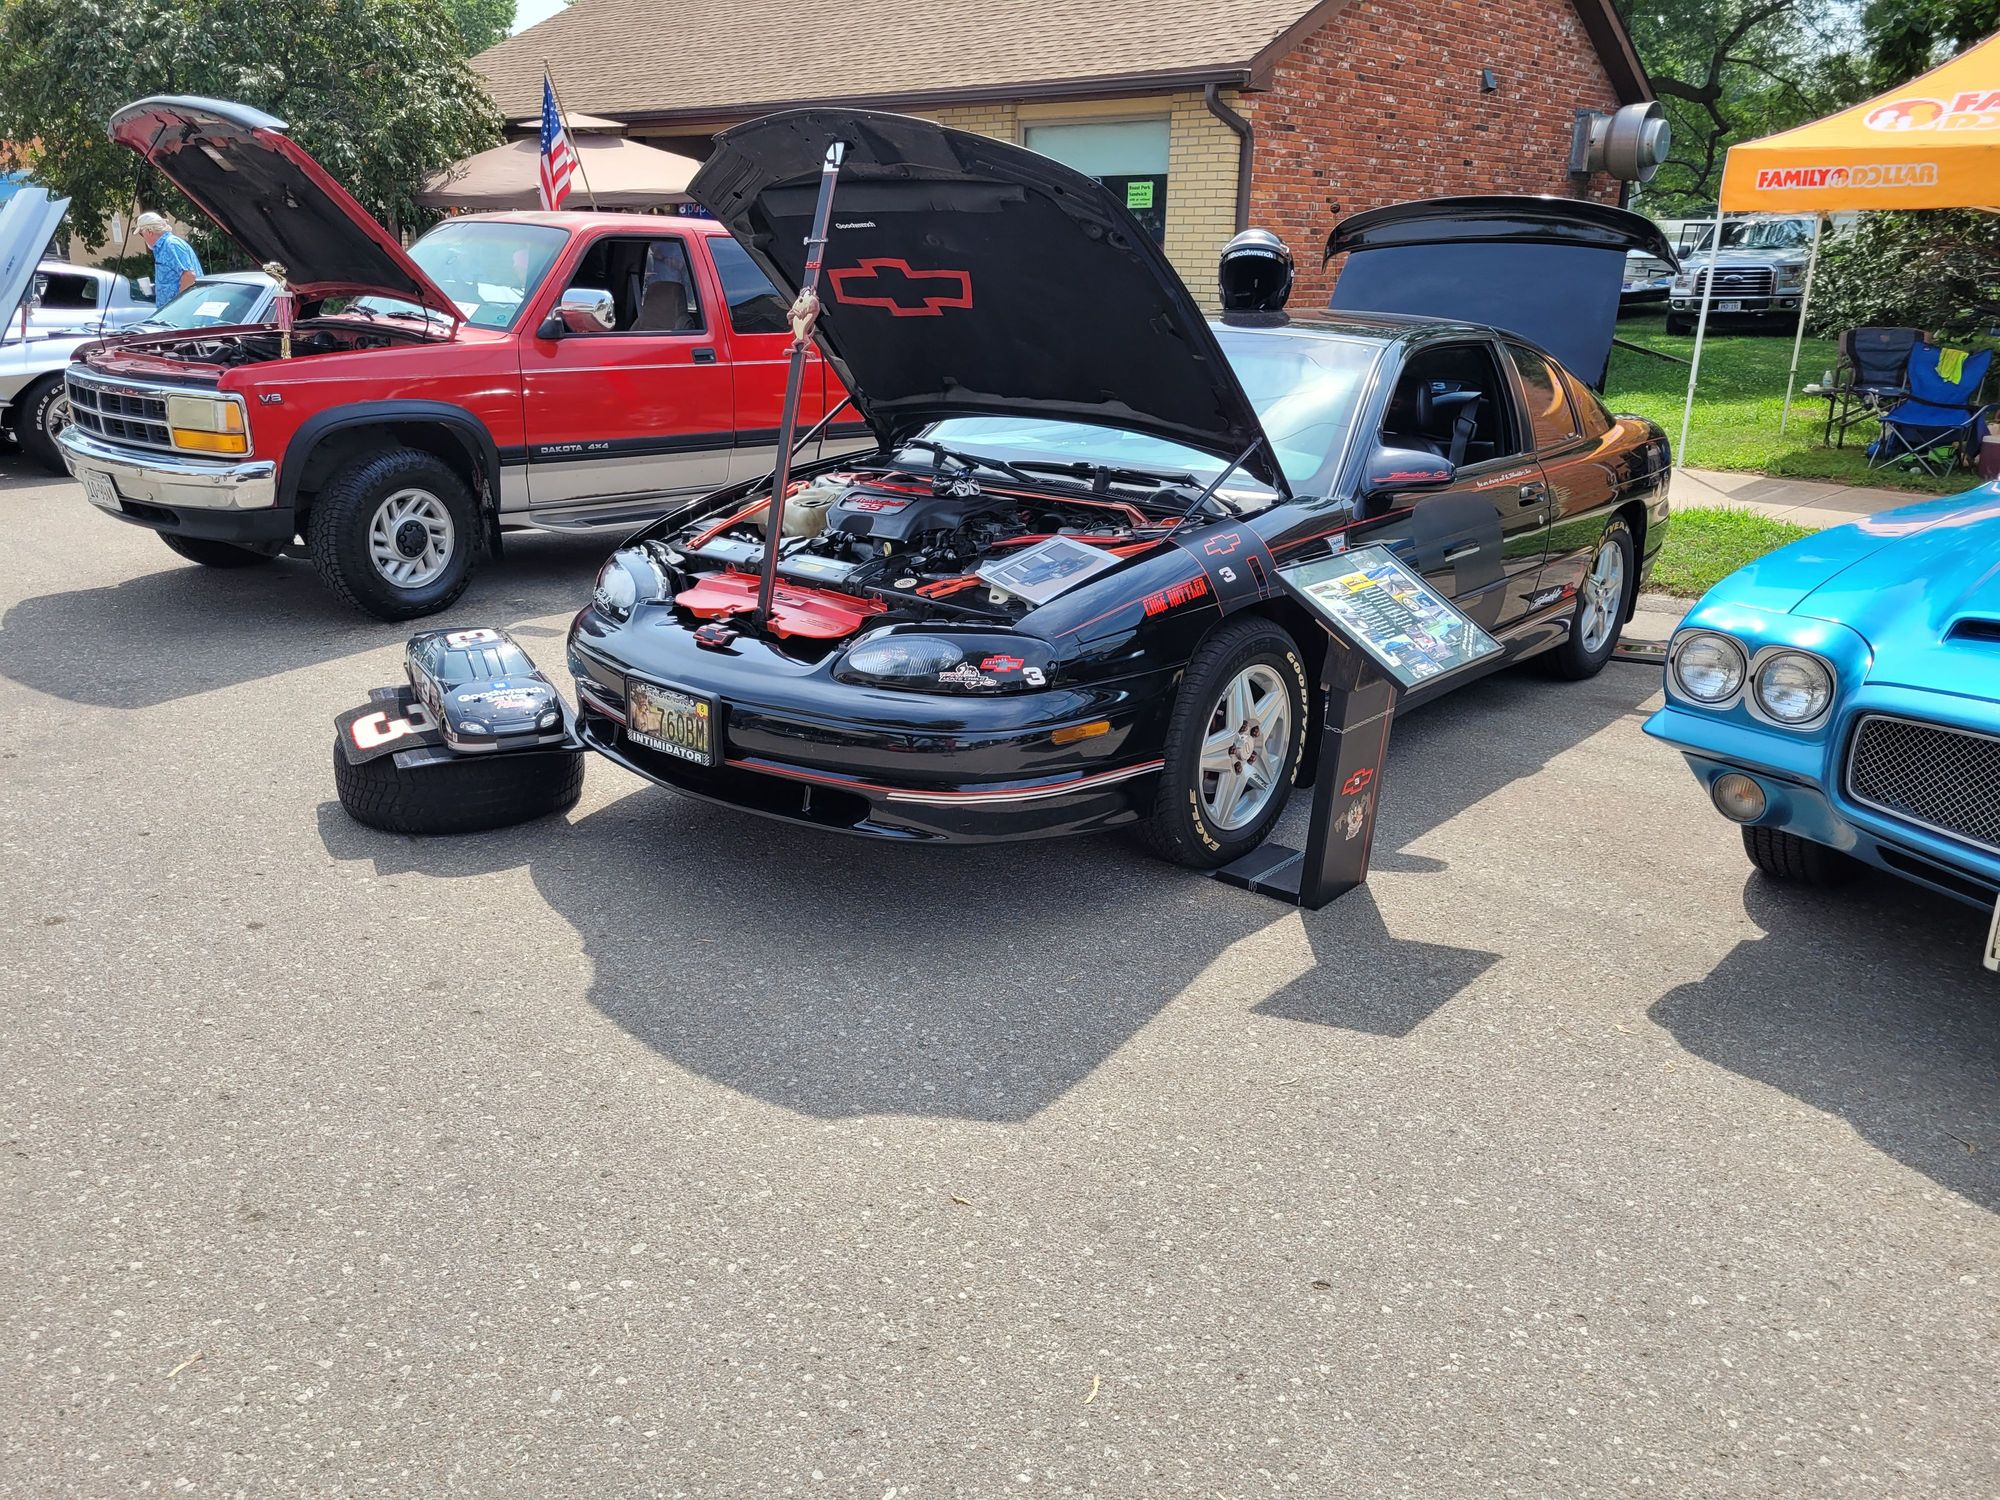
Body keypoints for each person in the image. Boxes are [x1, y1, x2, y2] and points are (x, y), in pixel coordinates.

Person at [135, 211, 201, 311]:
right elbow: (173, 280)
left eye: (141, 234)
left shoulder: (171, 245)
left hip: (181, 312)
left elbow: (189, 276)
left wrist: (178, 307)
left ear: (149, 232)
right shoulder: (163, 247)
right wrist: (155, 288)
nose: (143, 238)